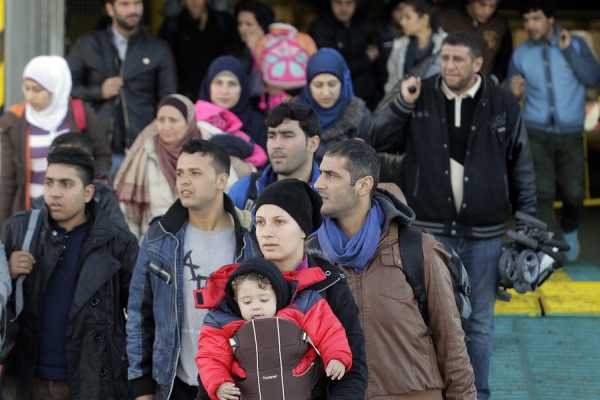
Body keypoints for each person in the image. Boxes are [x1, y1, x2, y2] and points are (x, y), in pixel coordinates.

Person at [370, 32, 536, 399]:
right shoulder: (420, 94)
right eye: (444, 58)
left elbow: (520, 162)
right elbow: (376, 138)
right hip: (430, 230)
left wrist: (527, 222)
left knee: (479, 324)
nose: (449, 66)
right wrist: (401, 103)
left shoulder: (502, 101)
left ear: (478, 63)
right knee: (426, 319)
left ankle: (477, 394)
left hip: (485, 232)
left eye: (458, 59)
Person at [309, 139, 475, 399]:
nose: (318, 184)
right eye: (321, 173)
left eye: (331, 175)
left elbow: (451, 340)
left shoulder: (417, 248)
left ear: (364, 185)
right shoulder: (310, 253)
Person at [0, 147, 137, 399]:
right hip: (26, 381)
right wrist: (6, 273)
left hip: (90, 383)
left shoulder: (117, 242)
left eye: (66, 184)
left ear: (88, 192)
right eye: (49, 183)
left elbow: (140, 313)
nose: (54, 192)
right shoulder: (18, 231)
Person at [126, 139, 257, 400]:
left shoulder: (249, 240)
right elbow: (139, 313)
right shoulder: (159, 236)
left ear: (221, 181)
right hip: (175, 382)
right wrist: (141, 386)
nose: (184, 181)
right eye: (180, 173)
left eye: (195, 173)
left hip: (235, 384)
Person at [250, 178, 367, 399]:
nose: (266, 232)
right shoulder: (241, 282)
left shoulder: (330, 284)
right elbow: (215, 354)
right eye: (260, 222)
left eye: (279, 222)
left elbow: (353, 366)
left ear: (303, 229)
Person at [508, 0, 600, 262]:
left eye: (536, 18)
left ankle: (570, 228)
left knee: (574, 192)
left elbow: (593, 78)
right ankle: (553, 245)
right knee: (543, 192)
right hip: (535, 130)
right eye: (527, 20)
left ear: (550, 19)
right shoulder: (521, 54)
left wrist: (568, 50)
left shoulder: (576, 44)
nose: (530, 25)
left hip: (570, 132)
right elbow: (510, 91)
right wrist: (512, 91)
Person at [195, 258, 352, 400]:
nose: (256, 307)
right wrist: (219, 384)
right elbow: (211, 357)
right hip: (248, 391)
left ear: (278, 295)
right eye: (247, 302)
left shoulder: (302, 307)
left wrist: (336, 357)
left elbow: (329, 332)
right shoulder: (221, 323)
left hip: (300, 386)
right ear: (236, 301)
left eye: (264, 299)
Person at [67, 0, 177, 177]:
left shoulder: (158, 49)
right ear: (110, 9)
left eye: (137, 3)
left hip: (143, 150)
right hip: (96, 151)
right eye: (125, 4)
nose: (133, 10)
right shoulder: (87, 44)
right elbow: (66, 89)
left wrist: (155, 140)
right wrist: (99, 91)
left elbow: (169, 100)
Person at [0, 55, 111, 225]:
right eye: (26, 88)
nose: (29, 96)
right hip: (31, 215)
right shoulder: (14, 121)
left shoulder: (81, 114)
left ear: (56, 88)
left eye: (37, 90)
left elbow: (102, 155)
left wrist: (88, 185)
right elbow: (7, 179)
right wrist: (4, 226)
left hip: (75, 215)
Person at [113, 94, 204, 239]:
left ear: (189, 122)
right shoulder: (145, 153)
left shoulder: (208, 152)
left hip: (200, 240)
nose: (166, 126)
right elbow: (129, 214)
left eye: (173, 120)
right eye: (161, 120)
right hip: (154, 242)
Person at [227, 102, 321, 211]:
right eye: (271, 136)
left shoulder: (330, 194)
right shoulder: (245, 190)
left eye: (287, 136)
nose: (276, 145)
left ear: (313, 143)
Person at [31, 133, 128, 229]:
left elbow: (121, 235)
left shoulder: (104, 198)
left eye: (67, 184)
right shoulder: (38, 207)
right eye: (58, 160)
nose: (56, 193)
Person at [297, 48, 371, 162]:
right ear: (308, 85)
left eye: (332, 84)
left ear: (343, 83)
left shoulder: (359, 115)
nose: (326, 93)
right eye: (318, 85)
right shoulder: (294, 115)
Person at [310, 0, 382, 109]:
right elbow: (333, 69)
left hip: (369, 98)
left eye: (349, 3)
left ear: (356, 4)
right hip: (335, 99)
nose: (343, 8)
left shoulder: (365, 23)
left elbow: (378, 57)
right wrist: (366, 59)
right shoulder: (320, 28)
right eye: (338, 3)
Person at [159, 0, 236, 100]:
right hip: (184, 93)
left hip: (217, 90)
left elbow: (233, 54)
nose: (194, 2)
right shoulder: (172, 25)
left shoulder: (222, 21)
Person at [198, 56, 268, 150]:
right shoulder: (194, 119)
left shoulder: (257, 124)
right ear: (208, 86)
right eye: (218, 83)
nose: (224, 91)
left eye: (232, 84)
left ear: (242, 88)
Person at [385, 0, 447, 93]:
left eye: (408, 17)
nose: (402, 22)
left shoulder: (446, 44)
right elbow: (392, 83)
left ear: (424, 19)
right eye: (402, 18)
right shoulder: (399, 46)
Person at [441, 0, 513, 82]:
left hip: (483, 84)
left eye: (493, 6)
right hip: (449, 83)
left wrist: (494, 80)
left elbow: (504, 58)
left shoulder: (500, 25)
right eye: (482, 4)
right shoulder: (448, 18)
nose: (487, 11)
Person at [233, 1, 275, 99]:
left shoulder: (276, 53)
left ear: (263, 26)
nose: (242, 28)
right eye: (240, 24)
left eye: (249, 24)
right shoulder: (237, 52)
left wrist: (255, 50)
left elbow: (258, 89)